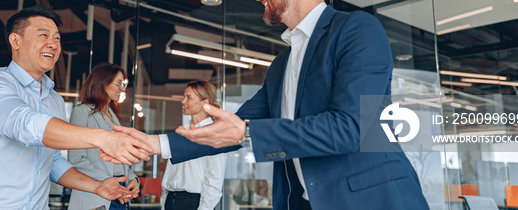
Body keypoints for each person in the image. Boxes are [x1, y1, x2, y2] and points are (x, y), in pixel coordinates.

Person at [104, 0, 430, 209]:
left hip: (373, 201)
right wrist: (153, 143)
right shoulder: (281, 65)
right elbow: (226, 128)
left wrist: (246, 133)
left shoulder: (358, 30)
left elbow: (351, 128)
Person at [0, 6, 152, 209]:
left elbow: (53, 162)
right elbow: (24, 124)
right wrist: (103, 137)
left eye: (57, 38)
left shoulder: (54, 100)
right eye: (43, 35)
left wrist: (97, 186)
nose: (53, 44)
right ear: (16, 41)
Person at [68, 63, 140, 210]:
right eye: (119, 83)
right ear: (102, 82)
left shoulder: (114, 117)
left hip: (119, 193)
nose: (122, 89)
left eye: (123, 84)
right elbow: (76, 159)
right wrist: (108, 181)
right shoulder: (82, 112)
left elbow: (119, 162)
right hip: (94, 195)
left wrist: (132, 179)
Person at [159, 80, 226, 210]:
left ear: (205, 103)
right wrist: (164, 203)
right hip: (171, 200)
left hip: (193, 203)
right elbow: (170, 173)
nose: (183, 101)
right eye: (184, 97)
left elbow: (214, 179)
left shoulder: (213, 134)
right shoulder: (181, 132)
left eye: (188, 97)